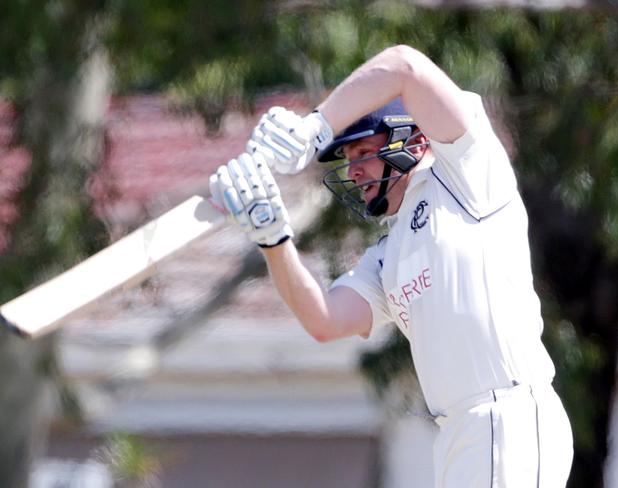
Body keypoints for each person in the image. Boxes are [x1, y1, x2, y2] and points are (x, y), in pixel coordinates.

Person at [209, 44, 573, 487]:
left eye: (360, 151)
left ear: (409, 136)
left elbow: (405, 65)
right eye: (347, 159)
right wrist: (273, 239)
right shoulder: (388, 253)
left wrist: (316, 126)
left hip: (509, 416)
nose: (353, 170)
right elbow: (323, 319)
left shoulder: (468, 173)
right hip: (459, 432)